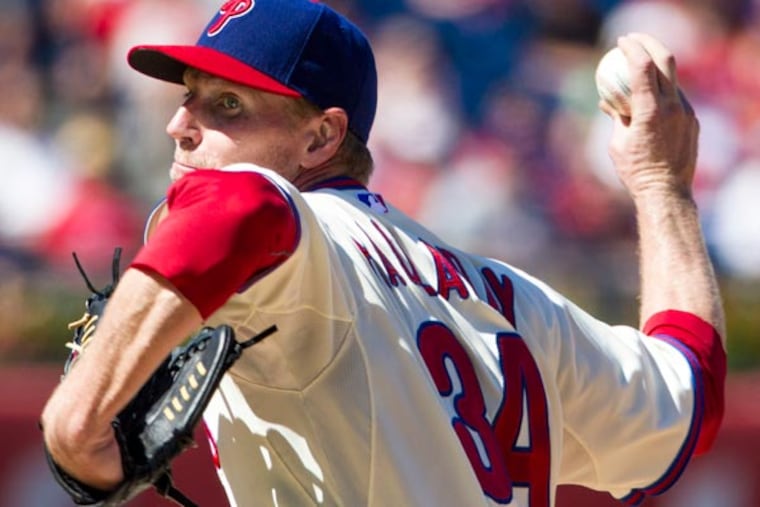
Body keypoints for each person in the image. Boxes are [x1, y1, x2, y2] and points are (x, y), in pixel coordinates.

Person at [41, 1, 726, 506]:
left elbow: (245, 207)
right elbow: (689, 395)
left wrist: (78, 424)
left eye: (225, 104)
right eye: (187, 98)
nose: (178, 125)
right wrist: (662, 186)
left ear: (321, 138)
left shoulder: (301, 243)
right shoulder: (512, 299)